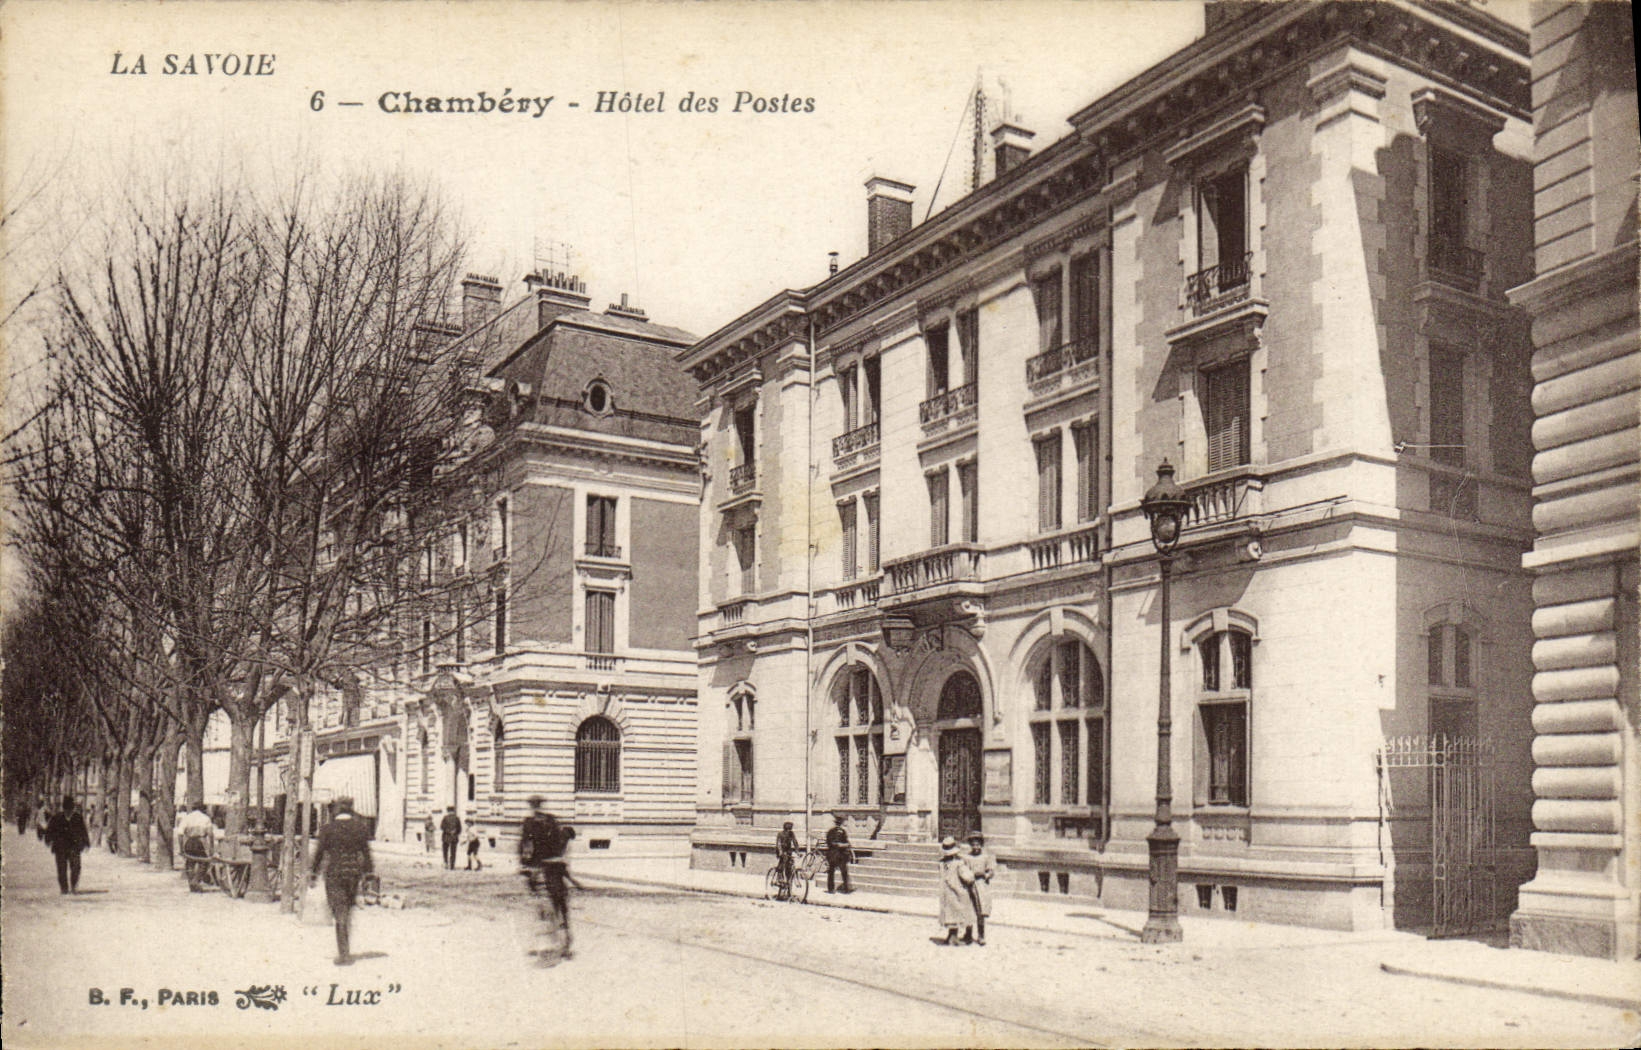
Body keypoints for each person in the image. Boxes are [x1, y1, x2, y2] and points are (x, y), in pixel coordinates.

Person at [309, 795, 374, 966]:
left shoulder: (328, 829)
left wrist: (313, 874)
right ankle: (345, 947)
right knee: (346, 910)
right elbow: (366, 854)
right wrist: (368, 874)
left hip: (335, 873)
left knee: (339, 912)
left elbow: (319, 854)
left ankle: (344, 954)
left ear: (337, 809)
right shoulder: (360, 828)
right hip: (353, 874)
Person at [518, 795, 576, 961]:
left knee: (554, 905)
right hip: (543, 868)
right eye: (534, 805)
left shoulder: (543, 822)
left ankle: (559, 942)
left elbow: (529, 845)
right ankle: (557, 941)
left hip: (547, 868)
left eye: (536, 804)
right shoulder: (536, 822)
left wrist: (527, 865)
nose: (535, 807)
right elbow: (524, 845)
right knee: (547, 906)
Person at [45, 795, 91, 894]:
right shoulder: (57, 818)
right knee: (61, 868)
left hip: (74, 847)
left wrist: (86, 843)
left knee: (76, 867)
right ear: (64, 808)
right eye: (66, 809)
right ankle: (64, 888)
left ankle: (74, 885)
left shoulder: (77, 818)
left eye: (70, 809)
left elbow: (83, 831)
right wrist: (48, 840)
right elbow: (50, 830)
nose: (68, 811)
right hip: (60, 847)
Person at [936, 835, 977, 946]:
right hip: (958, 892)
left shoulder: (941, 864)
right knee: (962, 913)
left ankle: (951, 935)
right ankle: (955, 937)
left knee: (950, 914)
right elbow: (968, 877)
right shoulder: (959, 863)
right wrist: (972, 876)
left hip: (946, 893)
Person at [961, 831, 997, 945]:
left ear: (981, 845)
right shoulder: (966, 857)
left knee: (980, 911)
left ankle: (981, 935)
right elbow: (963, 870)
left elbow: (991, 870)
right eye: (973, 845)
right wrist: (968, 876)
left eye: (978, 844)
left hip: (981, 885)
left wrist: (986, 875)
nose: (975, 847)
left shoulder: (986, 857)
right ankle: (968, 934)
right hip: (969, 884)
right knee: (968, 909)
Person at [178, 801, 216, 891]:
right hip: (200, 842)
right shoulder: (206, 818)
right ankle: (196, 880)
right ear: (203, 809)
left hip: (189, 842)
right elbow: (210, 834)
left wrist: (181, 848)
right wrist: (211, 848)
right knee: (204, 862)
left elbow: (180, 834)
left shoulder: (187, 818)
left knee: (190, 863)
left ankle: (192, 883)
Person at [824, 812, 852, 893]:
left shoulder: (842, 831)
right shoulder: (832, 832)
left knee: (842, 871)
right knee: (833, 871)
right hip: (834, 854)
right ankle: (832, 889)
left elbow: (846, 842)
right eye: (839, 823)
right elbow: (830, 842)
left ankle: (844, 888)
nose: (839, 825)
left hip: (839, 855)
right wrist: (839, 845)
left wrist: (845, 845)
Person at [774, 821, 800, 890]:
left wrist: (797, 851)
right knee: (782, 864)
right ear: (785, 829)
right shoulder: (780, 834)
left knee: (789, 867)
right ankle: (779, 879)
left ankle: (789, 888)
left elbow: (795, 842)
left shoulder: (792, 834)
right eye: (788, 829)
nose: (789, 831)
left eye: (790, 829)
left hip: (788, 851)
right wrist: (780, 852)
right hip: (781, 851)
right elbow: (778, 844)